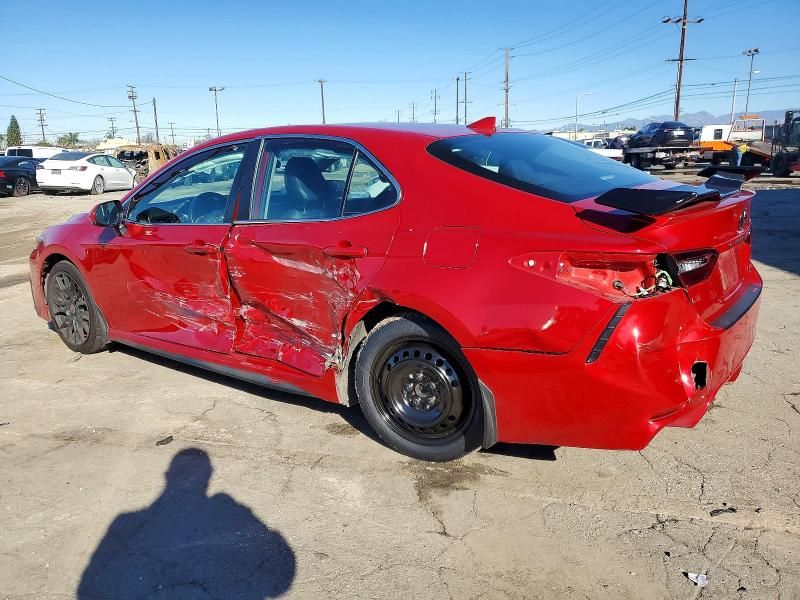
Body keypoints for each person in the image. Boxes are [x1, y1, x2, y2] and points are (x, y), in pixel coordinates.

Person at [78, 448, 296, 599]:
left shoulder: (126, 523)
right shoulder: (126, 524)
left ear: (167, 475)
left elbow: (87, 590)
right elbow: (279, 579)